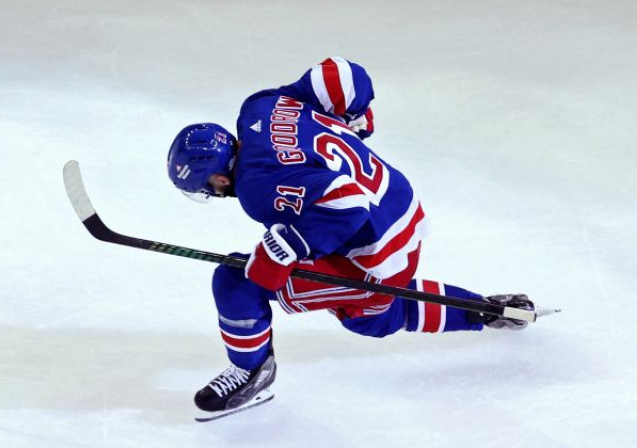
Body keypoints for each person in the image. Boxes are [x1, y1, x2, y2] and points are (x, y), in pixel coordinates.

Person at [166, 57, 534, 421]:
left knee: (239, 282)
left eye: (208, 188)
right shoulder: (260, 107)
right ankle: (485, 309)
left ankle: (252, 373)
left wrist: (288, 247)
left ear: (219, 179)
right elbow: (340, 75)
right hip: (401, 206)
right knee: (374, 305)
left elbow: (346, 203)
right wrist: (357, 113)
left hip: (377, 250)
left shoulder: (255, 187)